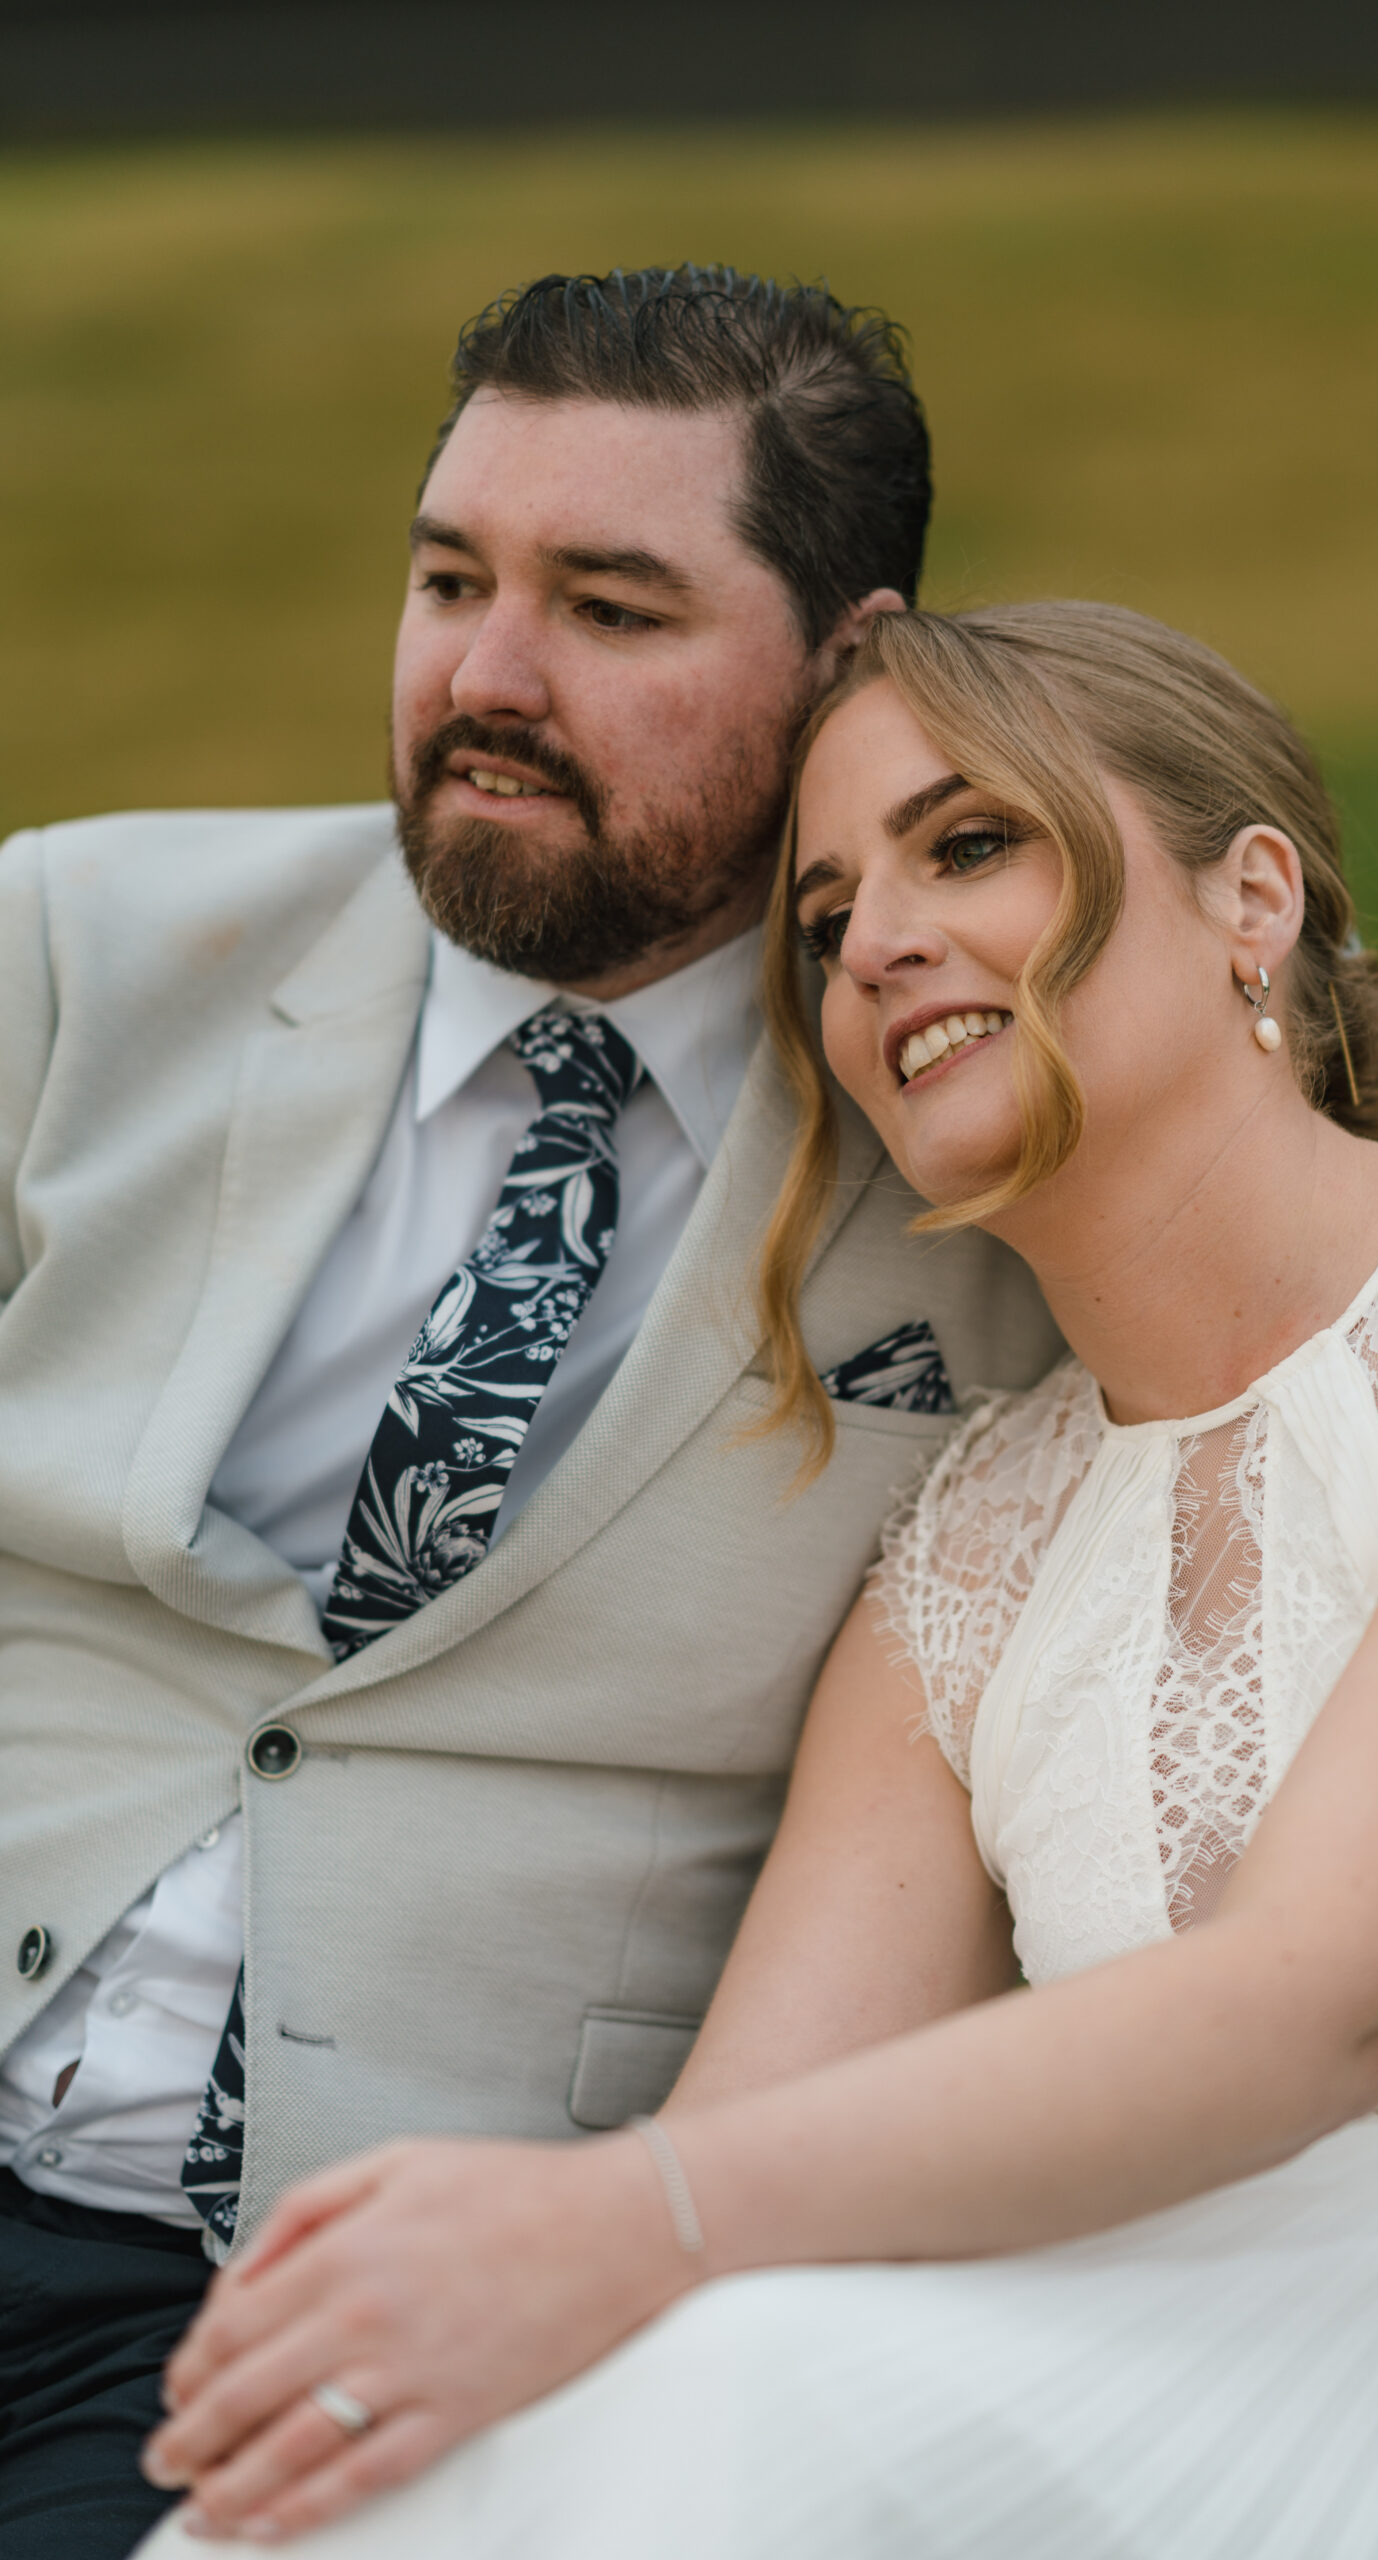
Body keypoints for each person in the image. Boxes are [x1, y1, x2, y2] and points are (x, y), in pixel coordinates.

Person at [138, 600, 1378, 2559]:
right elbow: (736, 2157)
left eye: (966, 843)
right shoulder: (971, 1548)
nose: (872, 937)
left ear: (1250, 900)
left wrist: (616, 2221)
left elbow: (1324, 2001)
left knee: (741, 2390)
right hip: (1190, 2332)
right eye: (819, 916)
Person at [0, 273, 1061, 2560]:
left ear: (848, 663)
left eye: (608, 604)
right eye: (448, 576)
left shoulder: (986, 1178)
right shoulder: (76, 950)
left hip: (320, 2296)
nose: (483, 674)